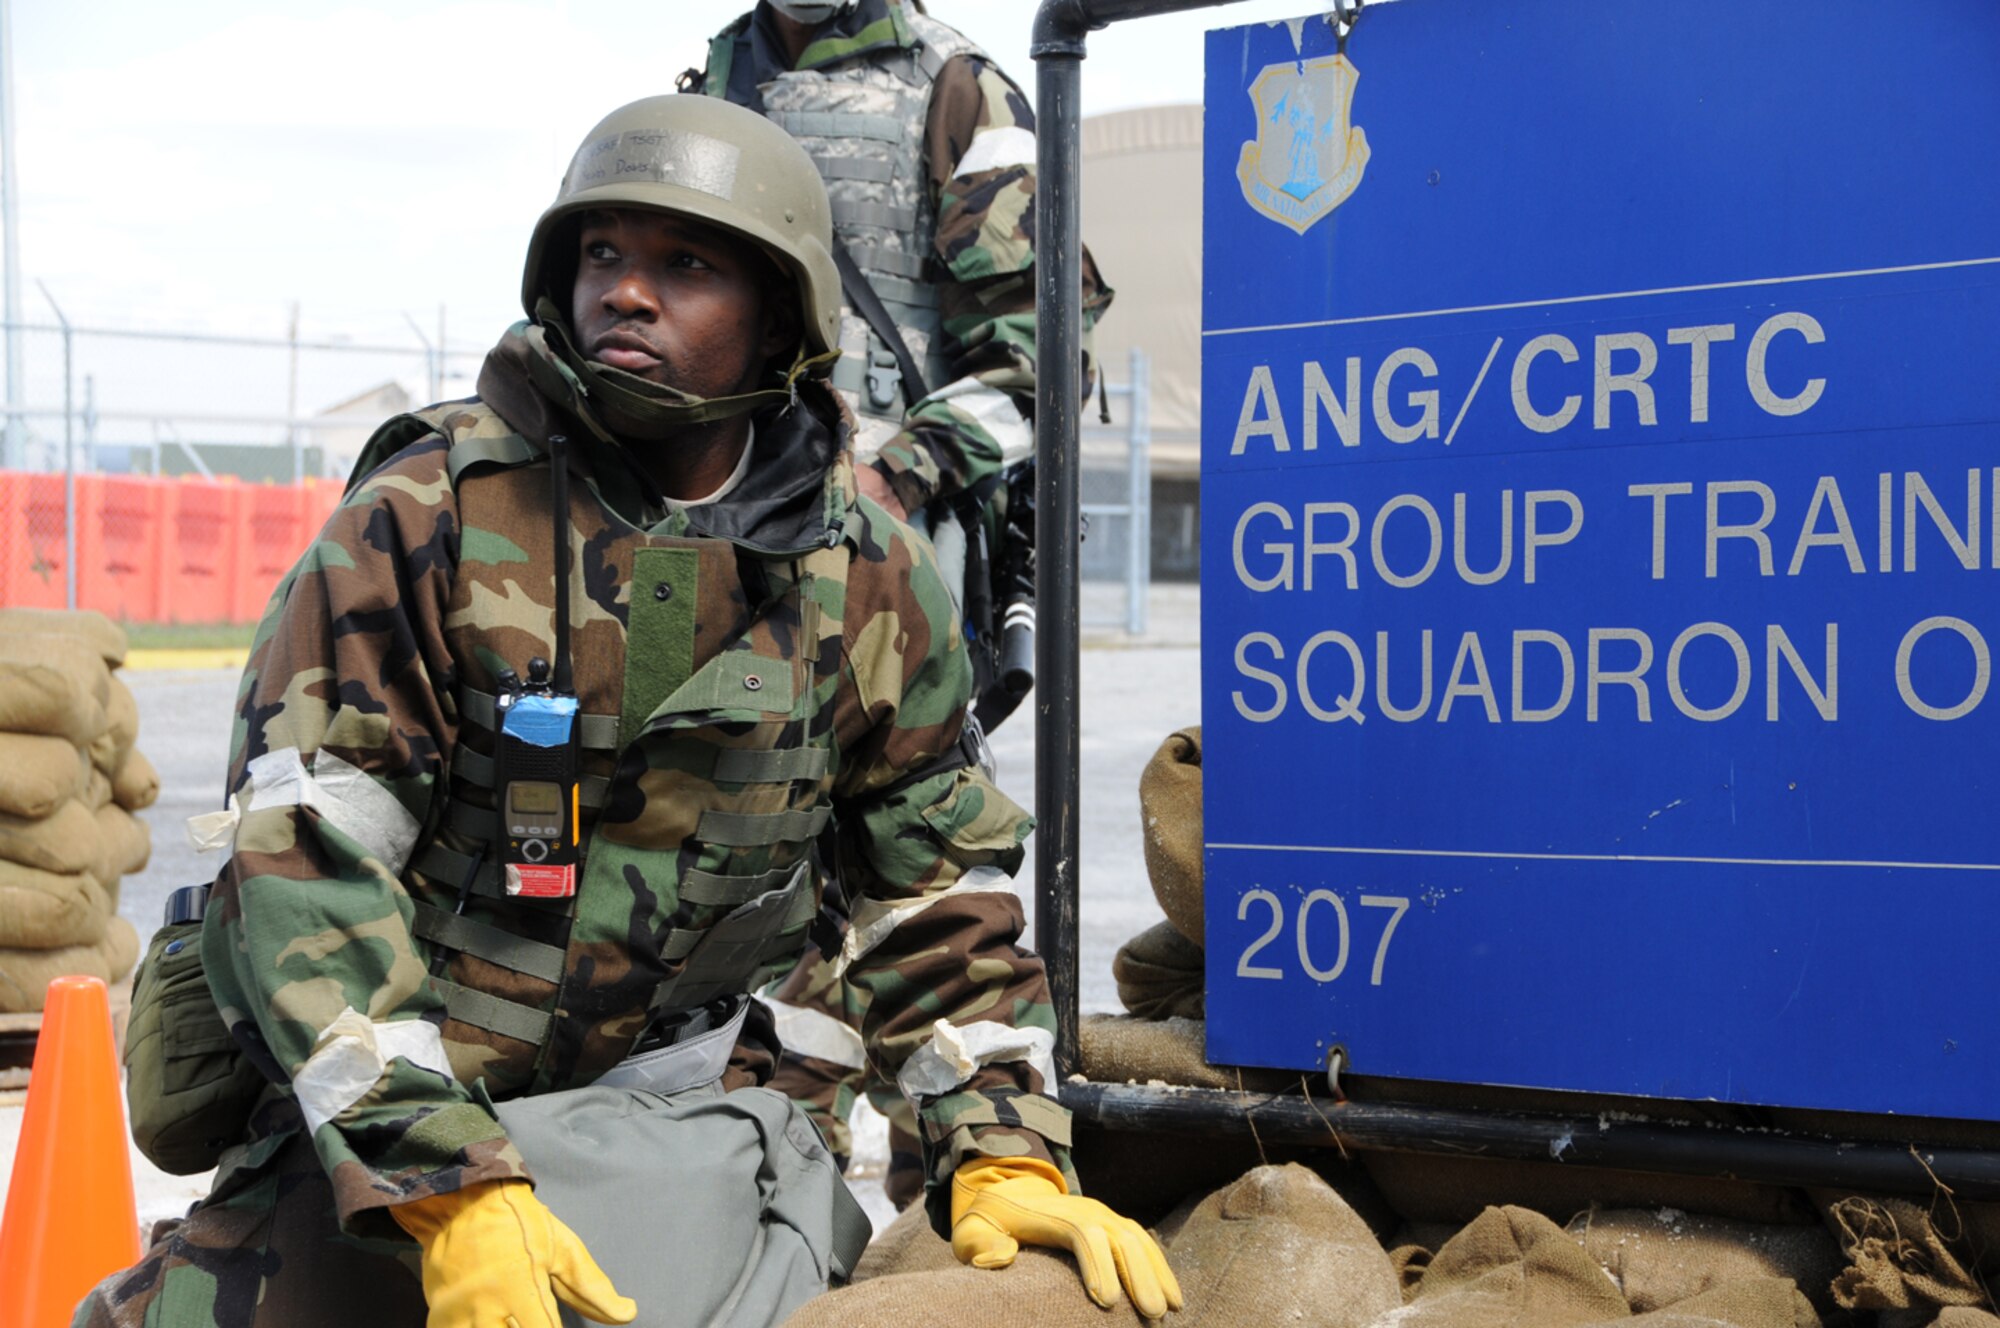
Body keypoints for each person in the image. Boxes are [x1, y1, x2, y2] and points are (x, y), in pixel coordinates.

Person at [76, 95, 1175, 1328]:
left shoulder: (865, 569)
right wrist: (445, 1184)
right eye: (603, 255)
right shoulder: (425, 516)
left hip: (686, 1111)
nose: (627, 294)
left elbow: (925, 889)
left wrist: (1001, 1139)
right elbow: (309, 866)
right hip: (401, 1115)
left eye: (684, 265)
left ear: (779, 317)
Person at [685, 0, 1111, 1212]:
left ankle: (961, 1192)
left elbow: (1045, 353)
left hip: (883, 572)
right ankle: (769, 1196)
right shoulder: (718, 77)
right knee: (742, 881)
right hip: (722, 556)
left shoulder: (955, 92)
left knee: (909, 875)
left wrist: (898, 470)